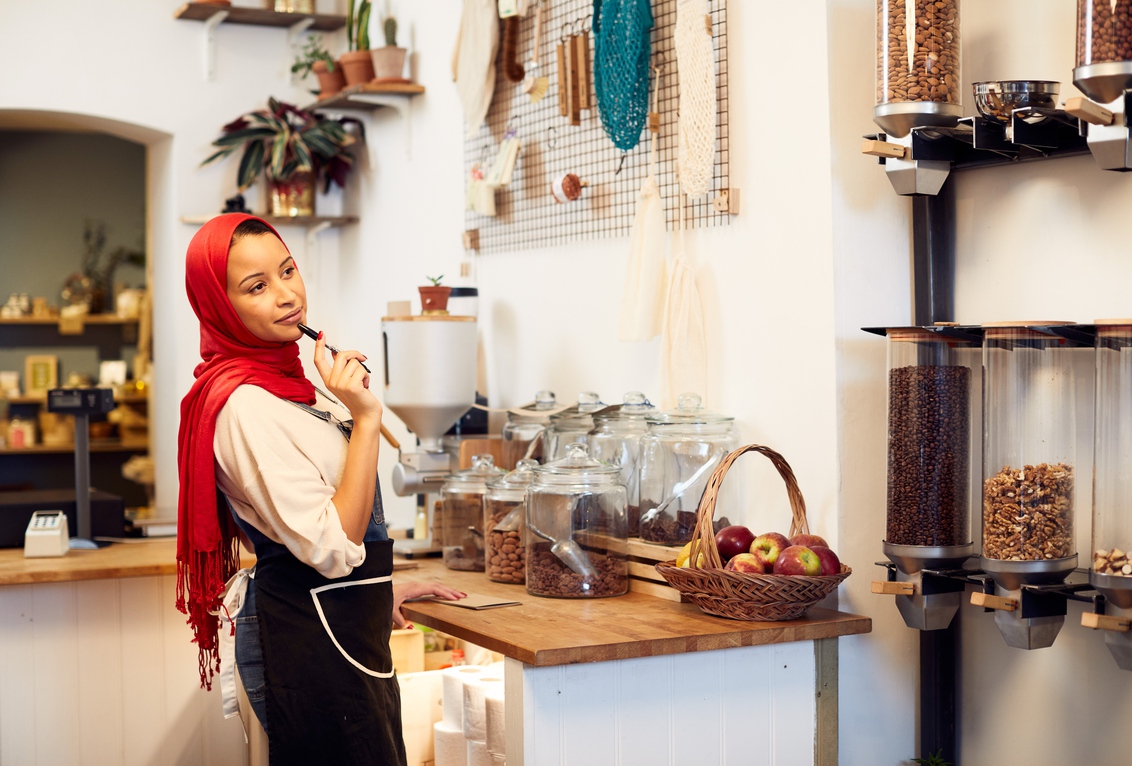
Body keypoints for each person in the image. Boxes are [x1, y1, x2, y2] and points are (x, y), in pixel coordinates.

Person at [176, 213, 465, 766]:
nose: (287, 295)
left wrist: (379, 589)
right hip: (304, 643)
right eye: (257, 287)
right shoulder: (242, 407)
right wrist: (366, 414)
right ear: (221, 306)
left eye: (288, 271)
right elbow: (332, 545)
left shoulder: (301, 386)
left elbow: (334, 529)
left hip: (346, 627)